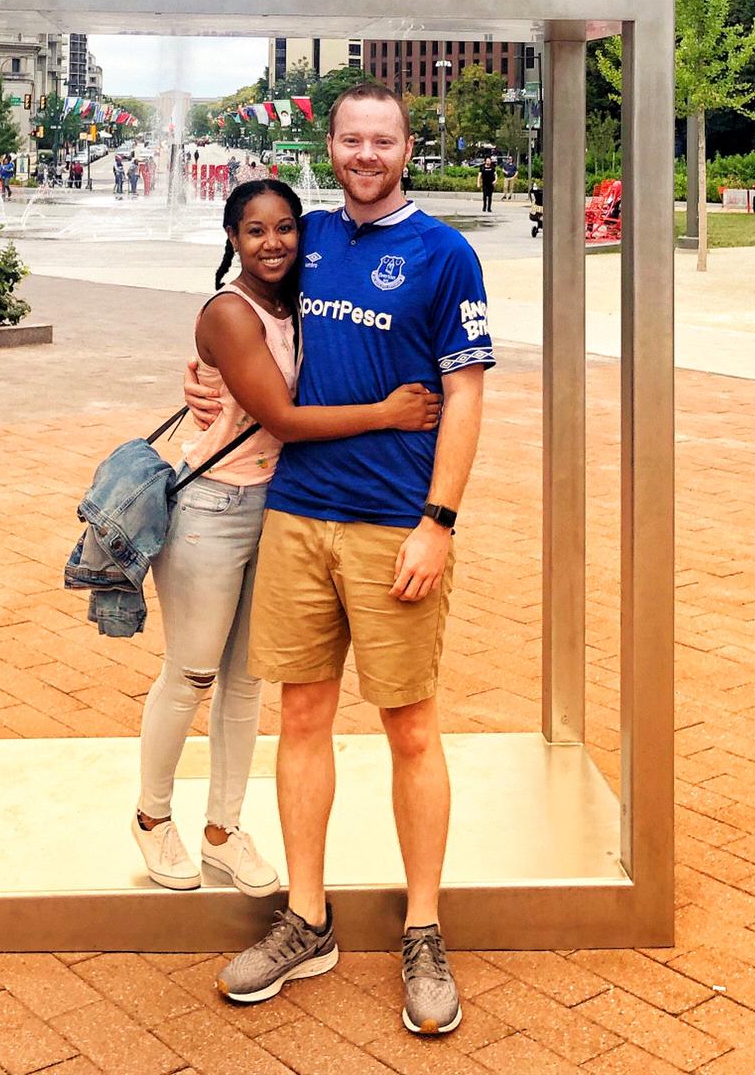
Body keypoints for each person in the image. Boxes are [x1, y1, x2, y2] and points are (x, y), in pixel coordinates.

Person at [189, 83, 493, 1037]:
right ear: (332, 145)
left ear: (407, 147)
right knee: (304, 716)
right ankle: (308, 919)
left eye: (383, 140)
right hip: (297, 515)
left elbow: (468, 394)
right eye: (352, 139)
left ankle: (424, 928)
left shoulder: (445, 254)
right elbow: (241, 316)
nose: (366, 154)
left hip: (392, 522)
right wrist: (200, 371)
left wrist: (438, 519)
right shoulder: (309, 236)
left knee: (409, 726)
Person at [134, 179, 441, 898]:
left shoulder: (296, 302)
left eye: (284, 228)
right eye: (254, 231)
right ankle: (152, 818)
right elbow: (286, 416)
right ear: (231, 239)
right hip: (212, 507)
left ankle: (222, 829)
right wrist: (389, 413)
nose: (272, 243)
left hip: (275, 505)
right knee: (192, 672)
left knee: (246, 681)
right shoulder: (231, 313)